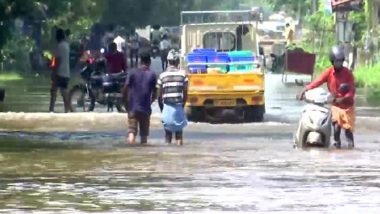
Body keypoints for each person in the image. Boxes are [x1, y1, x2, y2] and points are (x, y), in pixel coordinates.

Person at [297, 45, 356, 149]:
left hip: (347, 105)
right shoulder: (329, 72)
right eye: (336, 61)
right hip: (336, 104)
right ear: (332, 61)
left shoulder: (348, 74)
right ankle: (337, 146)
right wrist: (304, 89)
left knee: (348, 130)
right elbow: (317, 81)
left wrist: (344, 98)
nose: (338, 64)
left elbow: (352, 91)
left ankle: (351, 149)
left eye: (340, 61)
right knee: (336, 127)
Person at [123, 52, 157, 144]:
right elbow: (155, 93)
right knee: (144, 136)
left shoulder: (132, 72)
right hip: (145, 109)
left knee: (131, 132)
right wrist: (150, 102)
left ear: (140, 61)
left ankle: (131, 152)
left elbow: (125, 89)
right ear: (149, 62)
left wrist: (125, 103)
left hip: (133, 107)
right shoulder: (152, 74)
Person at [157, 49, 188, 146]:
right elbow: (186, 94)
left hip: (167, 107)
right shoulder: (183, 75)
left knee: (168, 135)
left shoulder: (162, 76)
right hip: (178, 107)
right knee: (179, 135)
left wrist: (162, 108)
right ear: (178, 62)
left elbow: (159, 96)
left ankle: (168, 157)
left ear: (168, 62)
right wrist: (182, 105)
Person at [49, 28, 73, 113]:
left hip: (59, 73)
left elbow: (57, 61)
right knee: (64, 92)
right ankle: (68, 110)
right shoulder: (66, 46)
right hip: (66, 73)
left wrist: (54, 73)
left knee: (53, 91)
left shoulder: (59, 46)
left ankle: (51, 110)